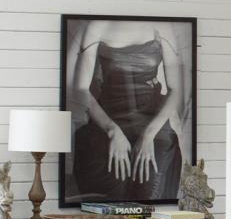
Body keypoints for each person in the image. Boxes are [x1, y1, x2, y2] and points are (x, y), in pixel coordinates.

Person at [66, 18, 190, 203]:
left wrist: (148, 136)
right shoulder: (98, 26)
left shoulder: (162, 26)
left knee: (150, 192)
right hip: (108, 117)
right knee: (113, 189)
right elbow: (82, 89)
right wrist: (112, 131)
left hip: (153, 121)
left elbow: (175, 90)